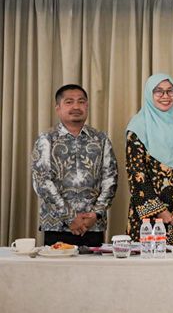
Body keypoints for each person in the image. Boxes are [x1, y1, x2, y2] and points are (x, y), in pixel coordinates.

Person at [32, 84, 118, 247]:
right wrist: (70, 217)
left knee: (94, 265)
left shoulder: (101, 139)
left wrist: (96, 214)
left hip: (92, 225)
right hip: (57, 226)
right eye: (69, 102)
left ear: (87, 106)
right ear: (58, 108)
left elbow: (110, 180)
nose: (76, 107)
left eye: (81, 101)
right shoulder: (46, 139)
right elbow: (42, 182)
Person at [126, 74, 173, 245]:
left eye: (170, 91)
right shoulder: (137, 128)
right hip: (148, 218)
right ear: (149, 94)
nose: (165, 96)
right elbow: (137, 176)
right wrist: (161, 212)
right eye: (158, 91)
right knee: (149, 260)